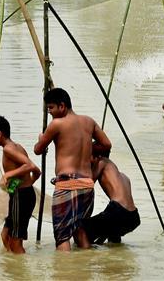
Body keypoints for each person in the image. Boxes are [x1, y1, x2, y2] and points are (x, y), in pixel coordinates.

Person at [33, 87, 112, 251]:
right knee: (79, 230)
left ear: (62, 106)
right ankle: (84, 267)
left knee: (62, 236)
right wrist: (88, 148)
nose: (50, 113)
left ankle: (65, 273)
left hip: (67, 185)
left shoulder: (57, 124)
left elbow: (38, 150)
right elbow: (106, 144)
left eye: (51, 108)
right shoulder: (89, 121)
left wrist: (41, 138)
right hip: (87, 186)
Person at [0, 115, 41, 254]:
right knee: (5, 235)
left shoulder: (8, 149)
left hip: (21, 197)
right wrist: (24, 184)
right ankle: (11, 267)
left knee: (16, 242)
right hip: (21, 195)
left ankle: (20, 273)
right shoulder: (18, 147)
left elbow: (29, 165)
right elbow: (37, 172)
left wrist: (7, 175)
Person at [83, 145, 141, 244]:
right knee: (112, 237)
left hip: (118, 212)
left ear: (97, 156)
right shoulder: (124, 177)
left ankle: (85, 255)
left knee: (81, 231)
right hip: (133, 217)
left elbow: (88, 183)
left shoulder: (102, 162)